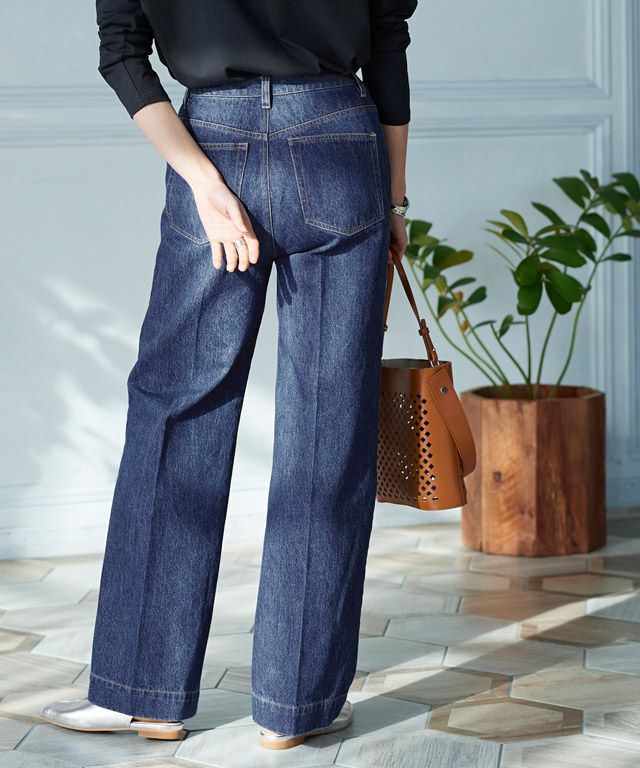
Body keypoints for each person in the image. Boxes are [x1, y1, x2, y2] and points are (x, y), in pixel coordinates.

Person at [41, 0, 417, 750]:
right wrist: (395, 198)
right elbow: (387, 44)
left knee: (176, 410)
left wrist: (204, 184)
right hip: (340, 143)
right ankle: (296, 706)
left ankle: (141, 694)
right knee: (329, 421)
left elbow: (122, 53)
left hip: (211, 139)